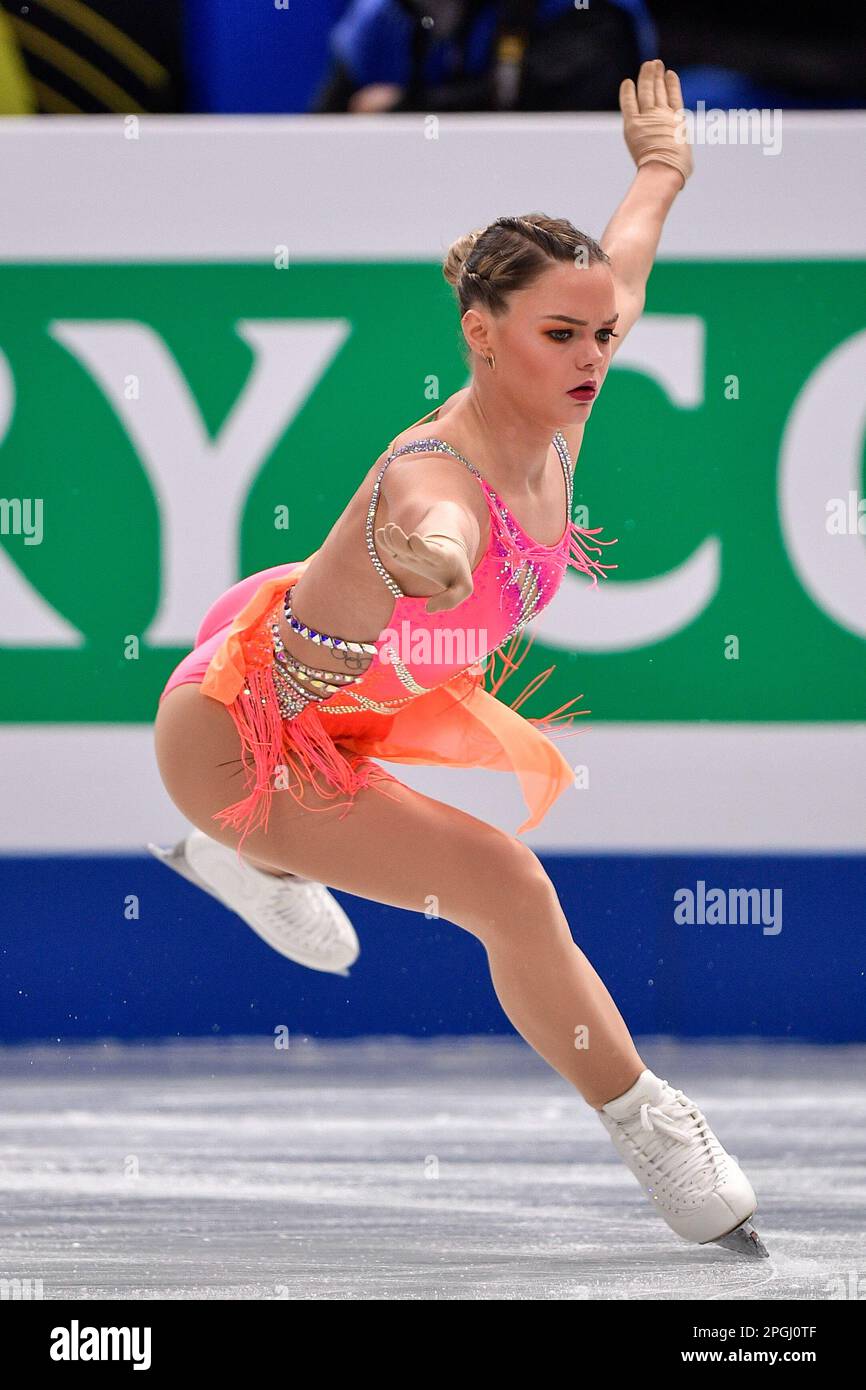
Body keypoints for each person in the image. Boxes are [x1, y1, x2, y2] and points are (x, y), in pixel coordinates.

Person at [151, 61, 769, 1258]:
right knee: (507, 888)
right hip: (244, 740)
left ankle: (241, 861)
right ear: (479, 338)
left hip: (358, 714)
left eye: (597, 335)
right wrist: (422, 557)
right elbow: (429, 521)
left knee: (472, 887)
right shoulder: (431, 480)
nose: (592, 355)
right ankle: (649, 1123)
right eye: (561, 335)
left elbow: (624, 268)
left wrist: (659, 167)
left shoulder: (560, 388)